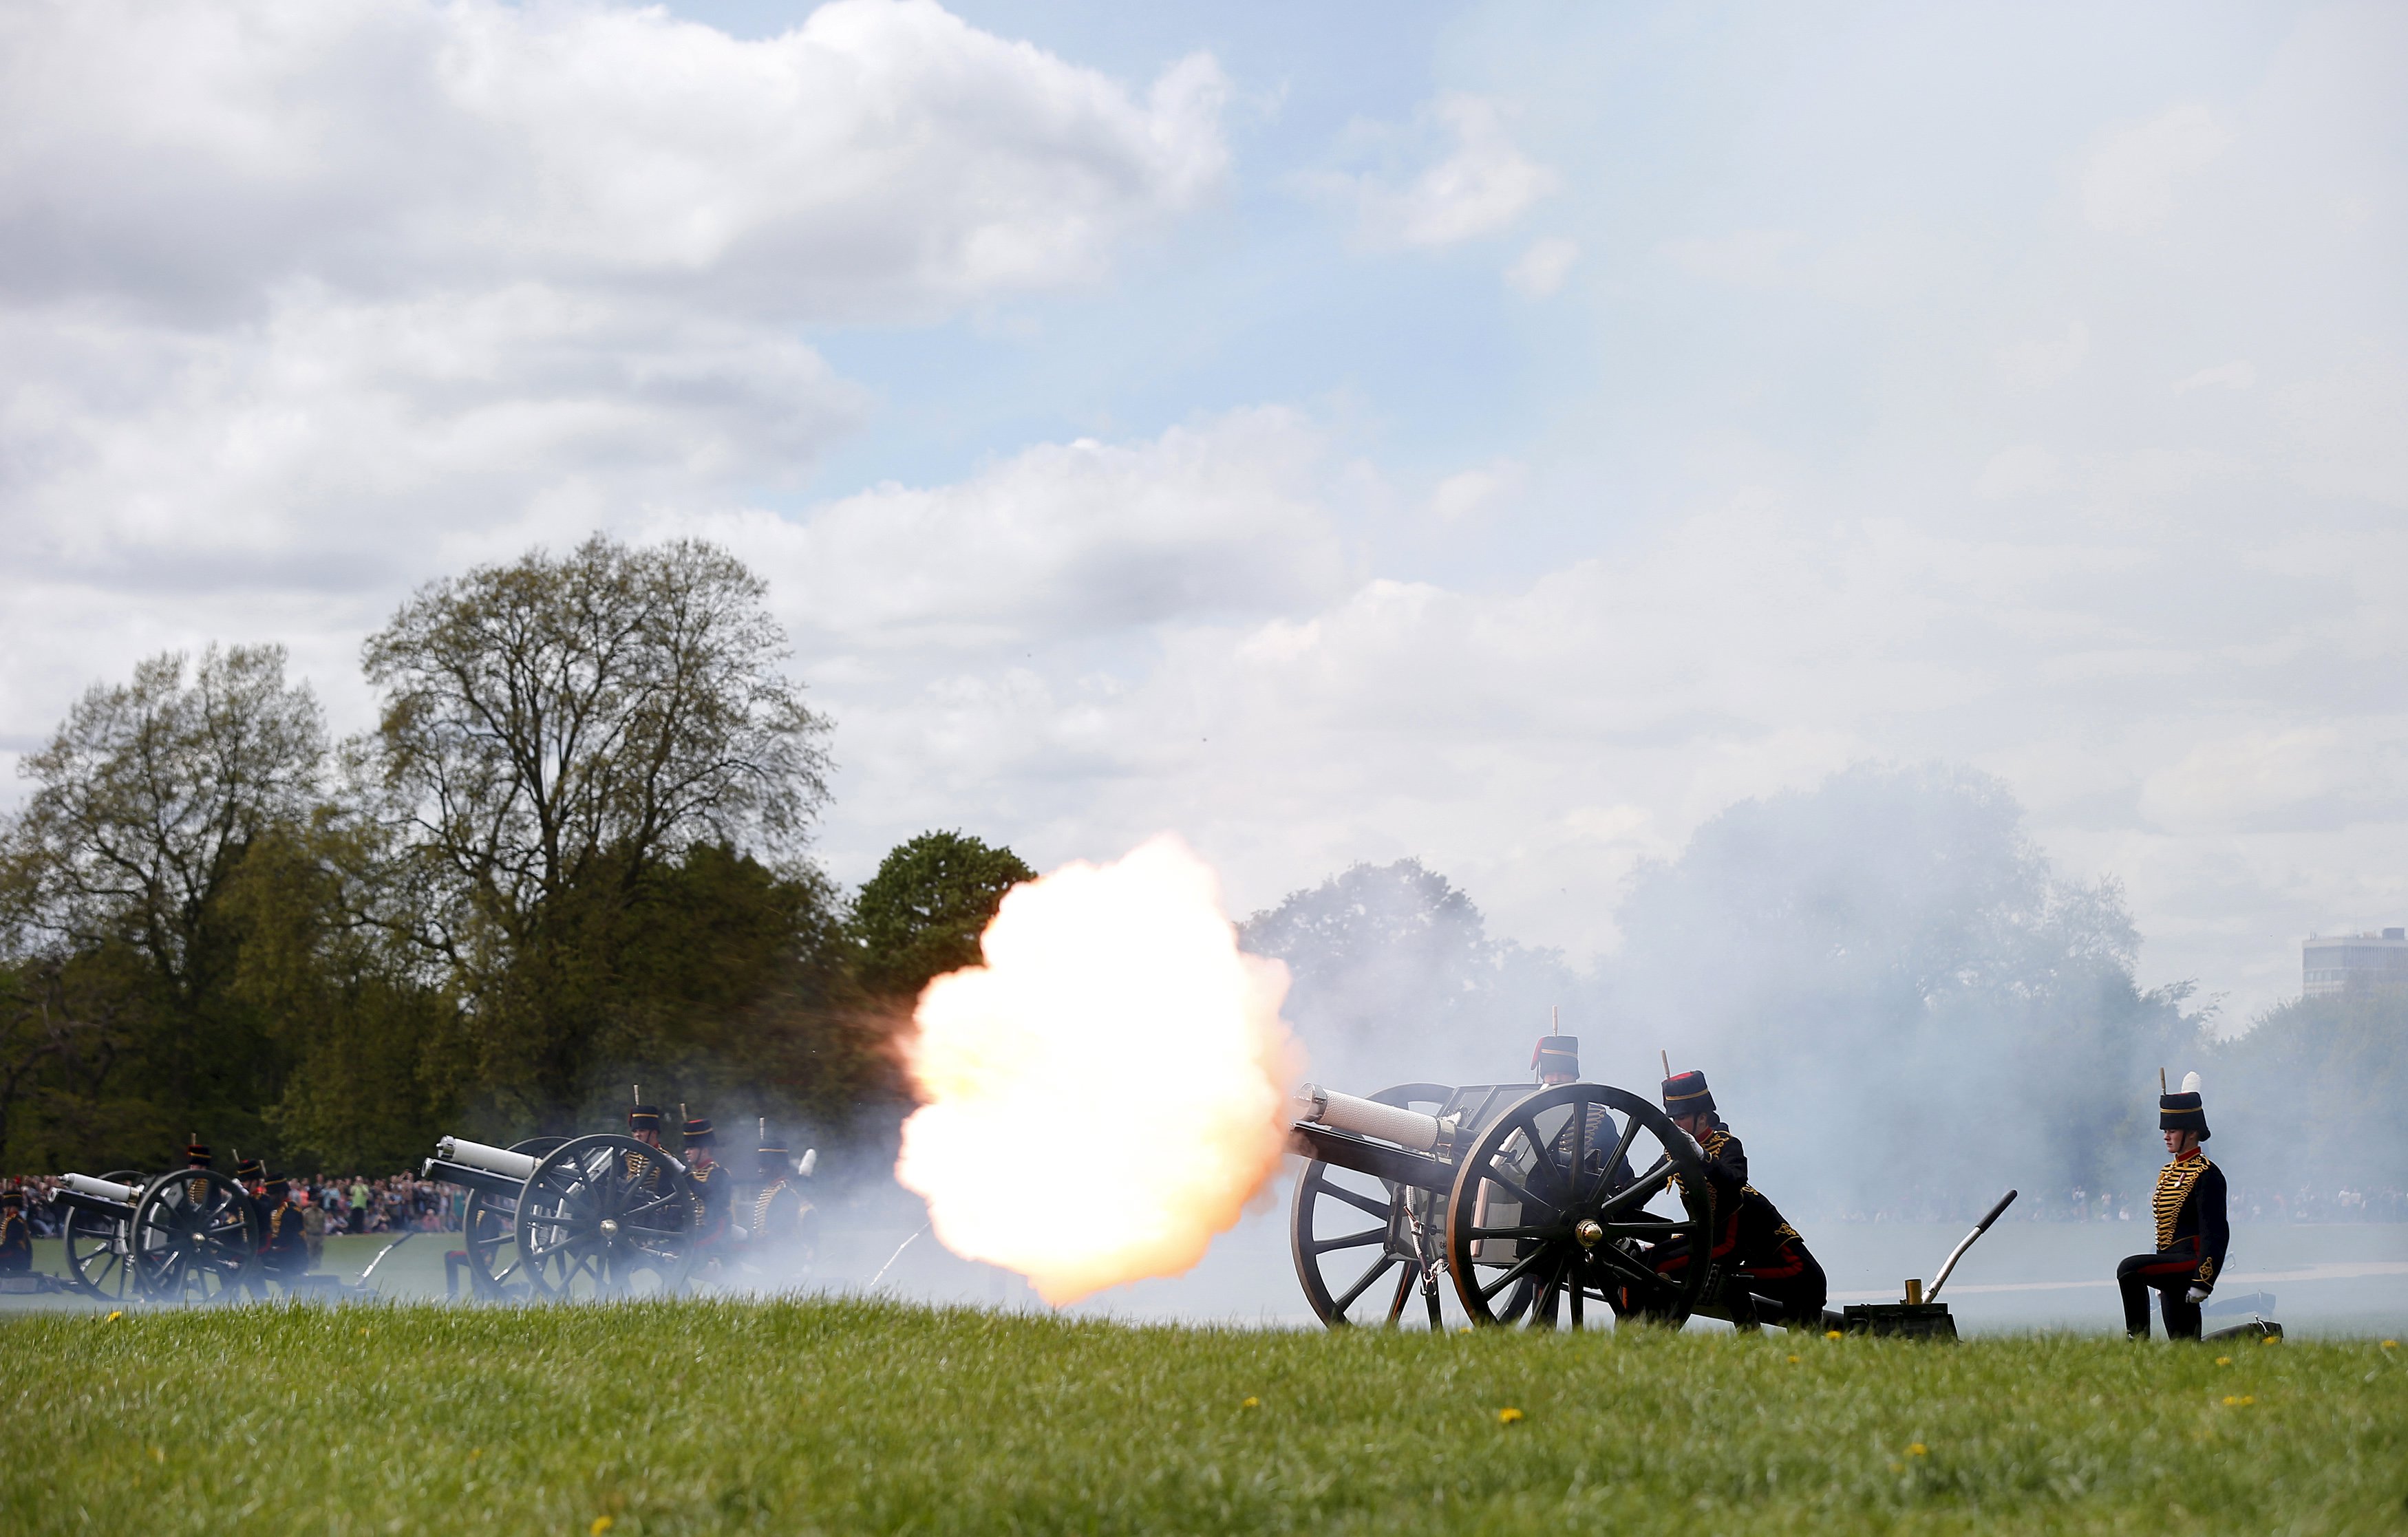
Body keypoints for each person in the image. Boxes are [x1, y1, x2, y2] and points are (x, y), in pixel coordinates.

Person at [1646, 1068, 1826, 1331]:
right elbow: (1645, 1186)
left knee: (1718, 1276)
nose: (1676, 1126)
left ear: (1702, 1117)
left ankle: (1653, 1336)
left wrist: (1703, 1157)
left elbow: (1734, 1180)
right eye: (1672, 1120)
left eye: (1681, 1118)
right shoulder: (1673, 1154)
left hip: (1797, 1273)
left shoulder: (1726, 1146)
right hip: (1719, 1243)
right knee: (1650, 1259)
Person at [2116, 1073, 2229, 1341]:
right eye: (2166, 1131)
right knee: (2187, 1346)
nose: (2166, 1137)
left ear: (2191, 1133)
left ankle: (2137, 1344)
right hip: (2170, 1263)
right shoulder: (2167, 1172)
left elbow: (2216, 1233)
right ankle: (2255, 1334)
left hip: (2190, 1262)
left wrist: (2204, 1280)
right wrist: (2160, 1268)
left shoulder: (2208, 1175)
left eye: (2172, 1131)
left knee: (2129, 1269)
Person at [748, 1121, 814, 1260]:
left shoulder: (785, 1193)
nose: (761, 1169)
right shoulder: (772, 1189)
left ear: (777, 1167)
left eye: (765, 1165)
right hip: (768, 1250)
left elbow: (780, 1229)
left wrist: (755, 1241)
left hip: (781, 1254)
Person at [258, 1177, 309, 1282]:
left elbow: (286, 1238)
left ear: (281, 1194)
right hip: (277, 1255)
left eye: (272, 1194)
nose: (269, 1197)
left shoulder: (291, 1210)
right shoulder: (274, 1209)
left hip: (291, 1257)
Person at [0, 1189, 31, 1277]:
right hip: (15, 1255)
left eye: (6, 1206)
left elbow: (10, 1244)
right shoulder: (14, 1219)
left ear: (10, 1205)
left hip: (17, 1257)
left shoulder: (15, 1221)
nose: (4, 1208)